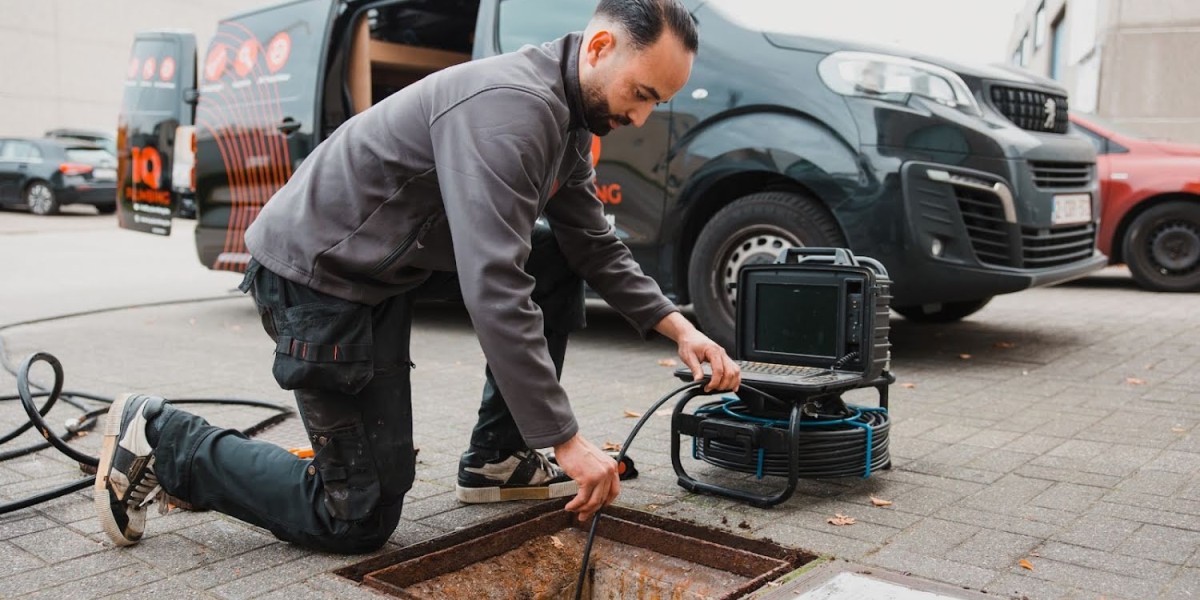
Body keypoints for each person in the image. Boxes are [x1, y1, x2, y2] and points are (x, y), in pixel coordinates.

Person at [94, 0, 740, 554]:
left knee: (559, 256)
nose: (641, 118)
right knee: (356, 516)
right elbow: (494, 284)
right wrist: (566, 441)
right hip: (318, 280)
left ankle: (498, 459)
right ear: (600, 47)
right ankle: (162, 437)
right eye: (642, 94)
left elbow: (592, 242)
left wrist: (679, 329)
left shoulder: (566, 113)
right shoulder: (514, 109)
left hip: (380, 273)